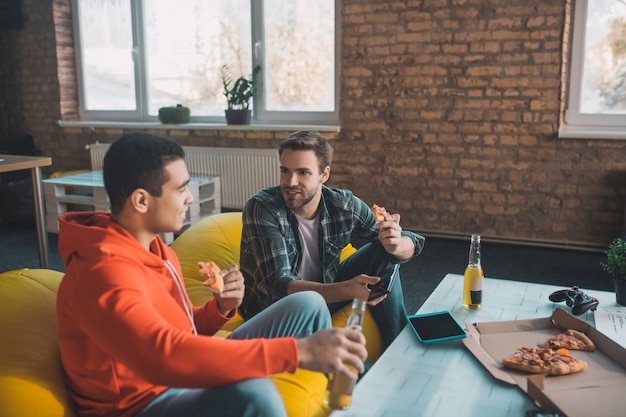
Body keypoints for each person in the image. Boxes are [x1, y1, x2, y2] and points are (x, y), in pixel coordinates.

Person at [55, 132, 367, 417]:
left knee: (308, 303)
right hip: (141, 404)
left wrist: (217, 310)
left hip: (179, 379)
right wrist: (296, 352)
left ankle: (344, 398)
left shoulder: (157, 249)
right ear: (140, 200)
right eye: (180, 189)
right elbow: (164, 353)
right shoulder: (101, 273)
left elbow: (181, 329)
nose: (190, 197)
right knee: (254, 393)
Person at [240, 130, 425, 350]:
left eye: (303, 173)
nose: (290, 182)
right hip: (276, 309)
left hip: (325, 292)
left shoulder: (342, 204)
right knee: (352, 368)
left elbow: (412, 241)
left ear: (324, 174)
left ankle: (399, 345)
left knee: (382, 251)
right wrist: (348, 289)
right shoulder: (262, 208)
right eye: (285, 171)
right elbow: (279, 284)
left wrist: (396, 244)